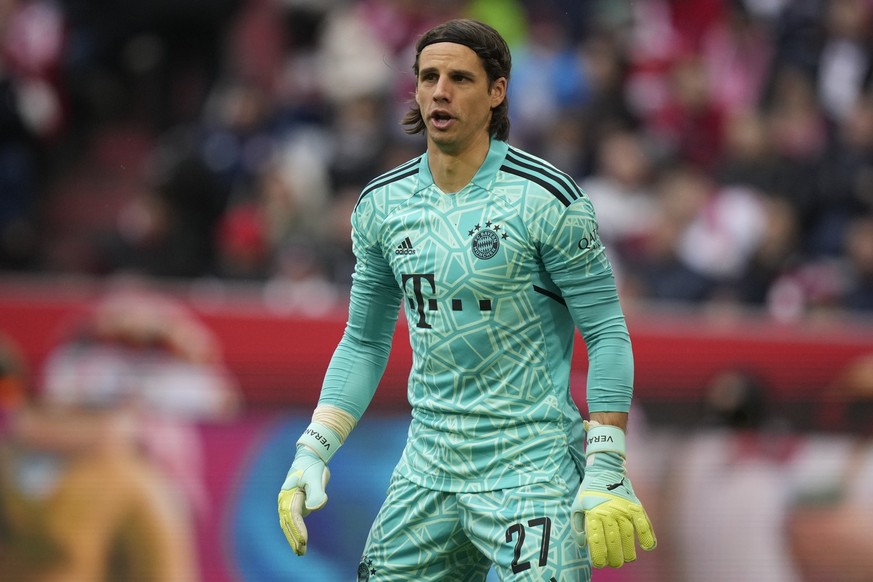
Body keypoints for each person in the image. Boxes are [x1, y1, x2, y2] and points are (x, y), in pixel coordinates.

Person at [277, 18, 656, 581]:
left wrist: (605, 459)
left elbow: (605, 331)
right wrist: (313, 449)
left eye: (459, 77)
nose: (439, 91)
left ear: (497, 91)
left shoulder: (547, 199)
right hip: (426, 471)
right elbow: (363, 340)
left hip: (529, 471)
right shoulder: (382, 205)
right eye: (428, 77)